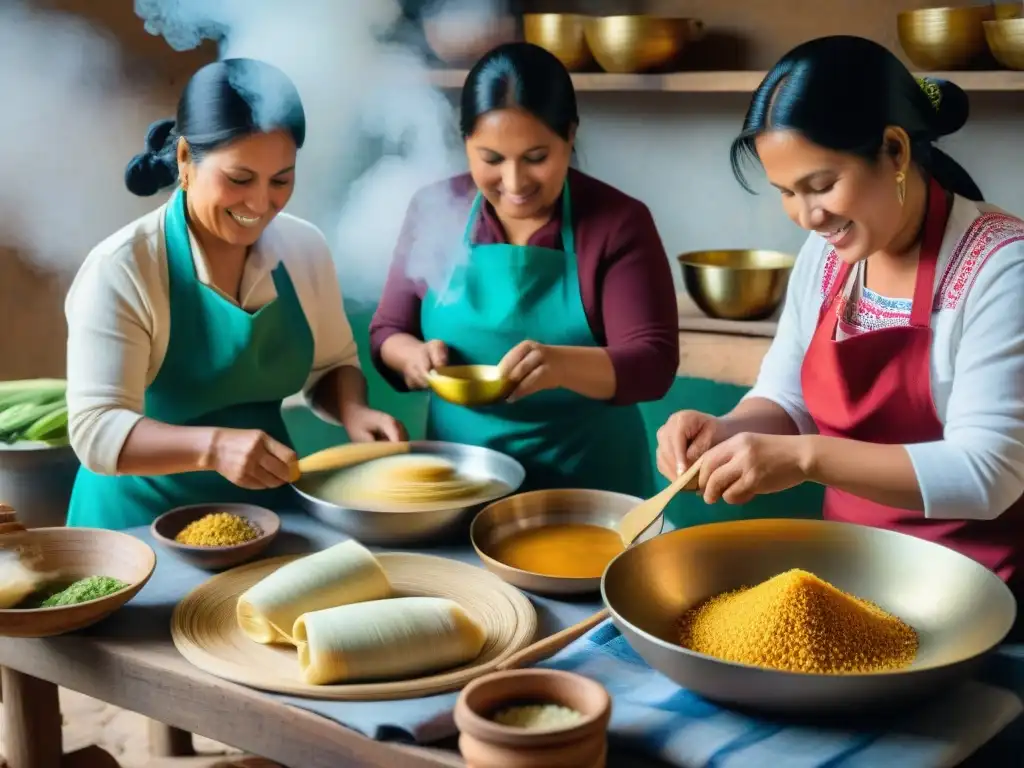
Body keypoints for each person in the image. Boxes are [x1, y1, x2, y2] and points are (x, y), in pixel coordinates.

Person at [655, 35, 1024, 588]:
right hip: (849, 579)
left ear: (895, 151)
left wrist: (806, 458)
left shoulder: (1000, 267)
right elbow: (786, 398)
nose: (805, 216)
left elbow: (988, 473)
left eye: (821, 185)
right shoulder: (828, 256)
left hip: (972, 594)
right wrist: (726, 432)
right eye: (785, 191)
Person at [65, 58, 404, 530]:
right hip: (139, 530)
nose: (261, 203)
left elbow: (331, 366)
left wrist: (353, 410)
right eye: (239, 179)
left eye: (281, 180)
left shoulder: (303, 248)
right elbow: (95, 430)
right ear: (185, 158)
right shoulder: (124, 267)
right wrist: (215, 447)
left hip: (268, 520)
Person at [369, 42, 679, 497]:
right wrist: (412, 358)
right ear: (466, 144)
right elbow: (387, 331)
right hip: (458, 479)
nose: (514, 183)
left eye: (536, 157)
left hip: (589, 484)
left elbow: (652, 363)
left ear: (569, 136)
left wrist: (561, 364)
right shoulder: (432, 210)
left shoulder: (618, 222)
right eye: (491, 160)